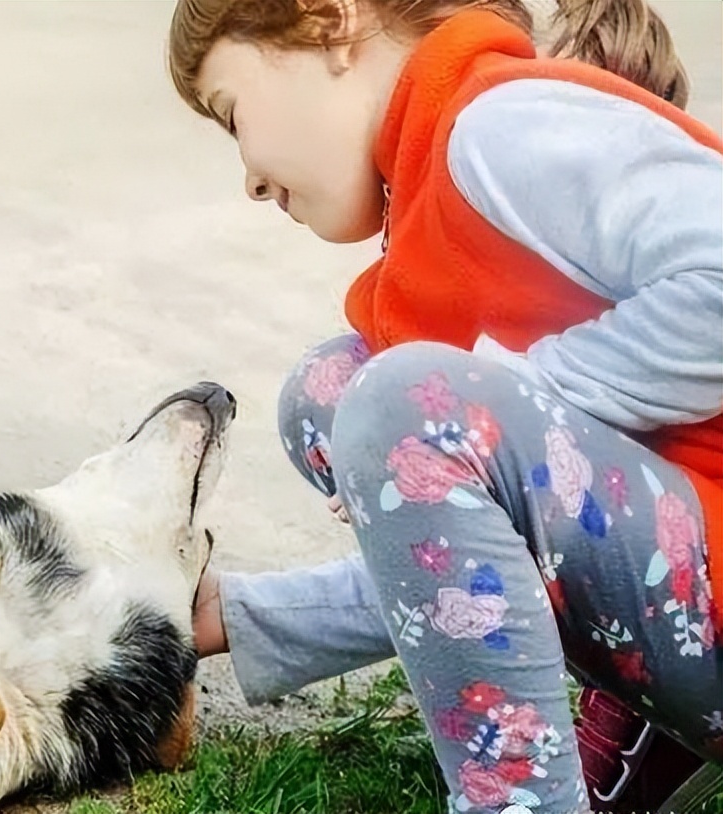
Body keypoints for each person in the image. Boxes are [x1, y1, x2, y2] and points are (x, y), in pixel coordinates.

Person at [166, 0, 722, 812]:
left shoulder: (498, 124)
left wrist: (522, 395)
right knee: (338, 391)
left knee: (402, 404)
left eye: (231, 113)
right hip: (685, 603)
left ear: (327, 22)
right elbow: (473, 570)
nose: (248, 175)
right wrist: (256, 617)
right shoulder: (432, 184)